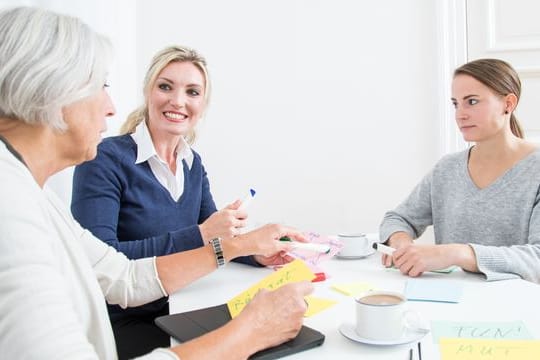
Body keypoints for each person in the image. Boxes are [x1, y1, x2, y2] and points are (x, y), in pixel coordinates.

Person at [0, 6, 313, 360]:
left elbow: (124, 277)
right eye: (99, 86)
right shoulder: (11, 209)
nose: (110, 106)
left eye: (193, 92)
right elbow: (186, 242)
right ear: (50, 91)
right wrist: (249, 332)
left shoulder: (33, 195)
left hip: (178, 303)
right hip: (138, 323)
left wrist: (250, 248)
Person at [70, 45, 291, 358]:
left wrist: (257, 255)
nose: (178, 101)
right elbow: (103, 262)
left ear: (203, 104)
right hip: (127, 320)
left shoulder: (192, 163)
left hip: (185, 302)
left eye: (192, 92)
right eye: (165, 87)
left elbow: (216, 236)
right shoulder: (104, 159)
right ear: (148, 91)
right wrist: (200, 235)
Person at [379, 58, 540, 283]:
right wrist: (402, 244)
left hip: (515, 309)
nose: (460, 114)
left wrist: (457, 253)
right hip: (448, 303)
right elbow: (397, 218)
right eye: (456, 104)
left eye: (472, 102)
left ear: (508, 104)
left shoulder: (535, 171)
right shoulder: (447, 169)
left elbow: (537, 259)